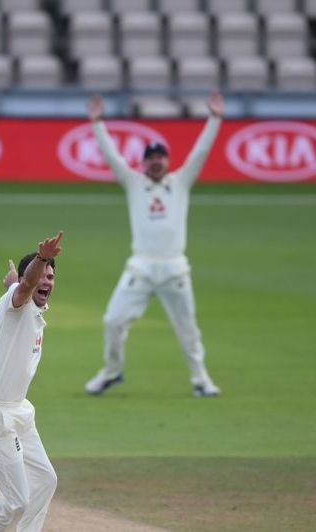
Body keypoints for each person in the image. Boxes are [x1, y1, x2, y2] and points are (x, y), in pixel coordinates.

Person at [84, 91, 224, 397]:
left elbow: (200, 152)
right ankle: (111, 372)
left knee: (187, 328)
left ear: (168, 161)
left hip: (175, 268)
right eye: (151, 158)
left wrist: (214, 119)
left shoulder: (181, 182)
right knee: (113, 321)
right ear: (144, 162)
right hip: (141, 266)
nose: (156, 162)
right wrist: (97, 123)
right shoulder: (134, 183)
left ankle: (201, 380)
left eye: (161, 157)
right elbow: (112, 156)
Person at [0, 231, 64, 532]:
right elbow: (23, 289)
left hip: (19, 411)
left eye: (51, 277)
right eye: (42, 275)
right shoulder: (15, 304)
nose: (47, 281)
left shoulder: (31, 307)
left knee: (45, 480)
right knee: (15, 502)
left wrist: (17, 281)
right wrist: (42, 258)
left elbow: (21, 286)